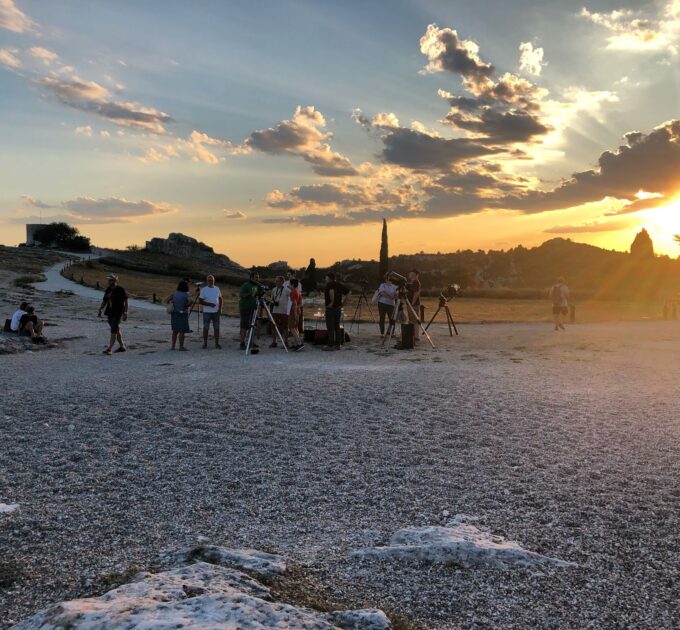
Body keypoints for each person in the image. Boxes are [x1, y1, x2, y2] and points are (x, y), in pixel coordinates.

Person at [98, 273, 128, 355]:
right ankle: (122, 346)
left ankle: (109, 349)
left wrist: (125, 312)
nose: (109, 281)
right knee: (116, 329)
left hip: (118, 312)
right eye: (109, 280)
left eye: (111, 280)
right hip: (109, 312)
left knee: (113, 329)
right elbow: (105, 300)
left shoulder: (121, 289)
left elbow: (126, 302)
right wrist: (100, 309)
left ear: (115, 280)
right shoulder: (108, 290)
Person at [323, 272, 349, 350]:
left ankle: (330, 345)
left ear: (329, 278)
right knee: (337, 326)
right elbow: (348, 293)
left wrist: (331, 302)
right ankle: (338, 345)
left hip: (331, 309)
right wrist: (344, 303)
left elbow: (331, 292)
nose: (325, 279)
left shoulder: (329, 284)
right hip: (338, 308)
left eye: (326, 277)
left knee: (330, 327)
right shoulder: (339, 284)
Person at [166, 280, 193, 351]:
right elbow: (191, 301)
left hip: (174, 314)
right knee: (182, 331)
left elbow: (166, 299)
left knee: (175, 331)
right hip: (183, 314)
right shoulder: (187, 294)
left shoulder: (174, 293)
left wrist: (171, 303)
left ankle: (173, 346)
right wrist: (187, 305)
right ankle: (181, 347)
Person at [198, 275, 223, 349]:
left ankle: (217, 344)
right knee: (206, 328)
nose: (211, 281)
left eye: (212, 280)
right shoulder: (203, 290)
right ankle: (205, 344)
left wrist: (220, 309)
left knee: (217, 328)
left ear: (214, 281)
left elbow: (220, 299)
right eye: (209, 280)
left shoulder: (217, 288)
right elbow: (200, 301)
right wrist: (209, 304)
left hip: (216, 312)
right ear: (207, 281)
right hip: (207, 312)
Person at [239, 271, 260, 350]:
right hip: (245, 308)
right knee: (244, 326)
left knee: (253, 326)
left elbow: (258, 295)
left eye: (258, 278)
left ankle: (251, 342)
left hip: (253, 308)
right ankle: (242, 343)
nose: (257, 279)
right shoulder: (246, 285)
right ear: (251, 278)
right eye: (256, 277)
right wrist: (250, 293)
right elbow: (241, 295)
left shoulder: (257, 285)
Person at [269, 276, 290, 348]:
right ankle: (274, 342)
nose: (276, 282)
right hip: (275, 311)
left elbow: (291, 300)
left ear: (282, 282)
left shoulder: (287, 290)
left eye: (277, 281)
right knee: (274, 326)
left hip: (284, 311)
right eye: (275, 281)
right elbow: (272, 299)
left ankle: (286, 342)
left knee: (285, 327)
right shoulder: (274, 289)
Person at [288, 278, 304, 351]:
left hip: (293, 312)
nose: (288, 285)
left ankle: (299, 343)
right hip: (298, 311)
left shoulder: (292, 292)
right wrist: (297, 312)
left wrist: (295, 315)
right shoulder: (298, 291)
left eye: (289, 284)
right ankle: (297, 344)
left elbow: (294, 304)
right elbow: (300, 303)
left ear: (292, 284)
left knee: (292, 328)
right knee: (295, 328)